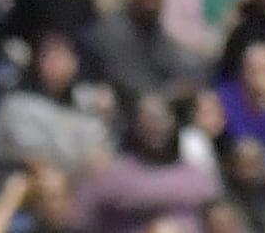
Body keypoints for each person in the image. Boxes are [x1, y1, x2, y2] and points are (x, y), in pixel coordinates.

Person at [79, 98, 217, 233]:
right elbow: (81, 216)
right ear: (135, 125)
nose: (156, 126)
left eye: (162, 118)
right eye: (149, 119)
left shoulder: (196, 177)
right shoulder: (112, 175)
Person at [0, 31, 114, 174]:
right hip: (25, 178)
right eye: (51, 56)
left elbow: (98, 149)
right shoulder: (18, 104)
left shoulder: (86, 99)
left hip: (79, 178)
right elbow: (32, 159)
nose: (59, 63)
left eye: (65, 55)